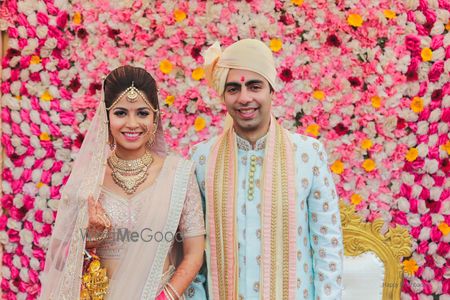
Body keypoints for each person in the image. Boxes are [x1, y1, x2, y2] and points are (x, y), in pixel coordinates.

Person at [190, 39, 344, 299]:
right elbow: (191, 249)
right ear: (224, 96)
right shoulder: (203, 158)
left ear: (272, 90)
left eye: (254, 86)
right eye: (233, 89)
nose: (244, 98)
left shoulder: (307, 153)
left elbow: (327, 243)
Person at [40, 66, 206, 300]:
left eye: (142, 113)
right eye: (120, 113)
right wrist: (89, 242)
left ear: (155, 117)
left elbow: (194, 253)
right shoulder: (89, 180)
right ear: (106, 117)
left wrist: (165, 297)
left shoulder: (178, 174)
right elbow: (58, 256)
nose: (132, 123)